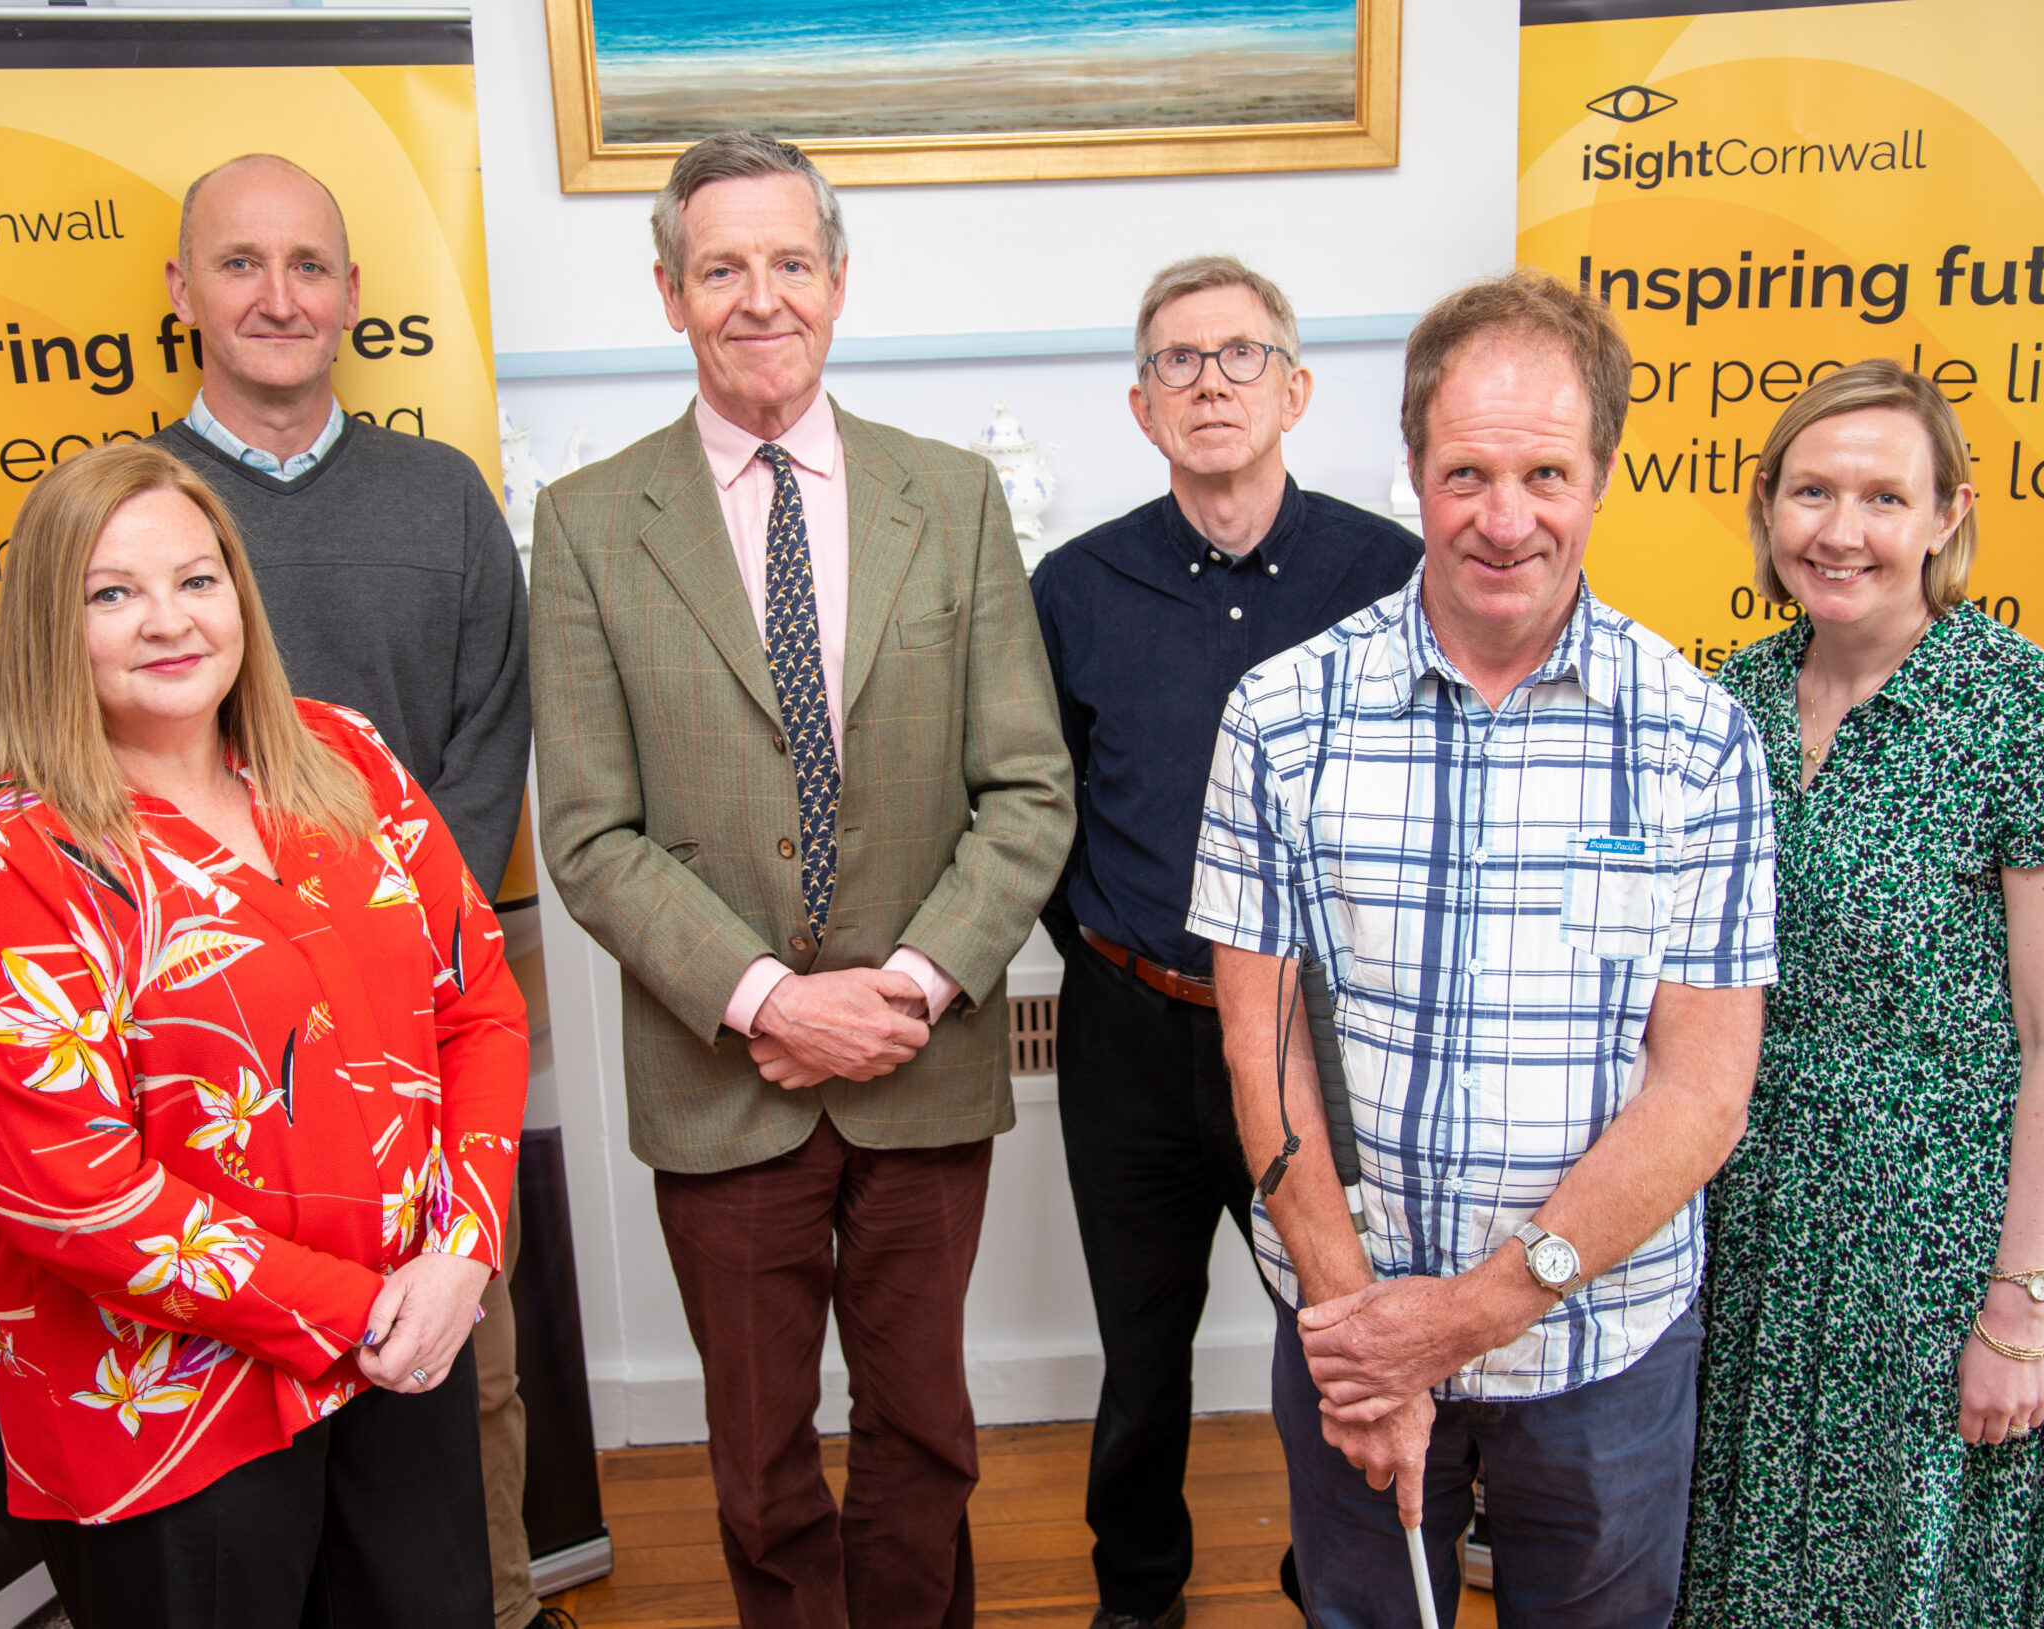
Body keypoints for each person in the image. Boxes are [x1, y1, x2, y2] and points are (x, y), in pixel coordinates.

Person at [530, 131, 1073, 1629]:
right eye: (721, 268)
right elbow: (588, 828)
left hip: (920, 1054)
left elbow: (1027, 785)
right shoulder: (586, 526)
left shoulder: (951, 497)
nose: (756, 296)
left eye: (788, 262)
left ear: (838, 282)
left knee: (925, 1437)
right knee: (760, 1459)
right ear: (669, 293)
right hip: (725, 1074)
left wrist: (901, 989)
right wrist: (770, 999)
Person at [1186, 270, 1778, 1629]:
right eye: (1466, 471)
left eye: (1545, 473)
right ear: (1412, 469)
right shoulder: (1284, 717)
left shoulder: (1696, 740)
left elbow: (1703, 1092)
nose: (1504, 520)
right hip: (1349, 1327)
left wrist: (1465, 1318)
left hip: (1600, 1349)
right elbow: (1258, 1042)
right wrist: (1366, 1338)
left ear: (1604, 474)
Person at [0, 441, 528, 1627]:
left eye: (196, 580)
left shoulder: (343, 757)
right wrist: (362, 1314)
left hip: (411, 1347)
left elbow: (478, 1006)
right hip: (173, 1418)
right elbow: (71, 1199)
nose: (167, 622)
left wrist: (463, 1257)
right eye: (112, 592)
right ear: (48, 620)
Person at [148, 153, 544, 1629]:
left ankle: (491, 1606)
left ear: (355, 299)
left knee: (457, 1363)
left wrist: (379, 966)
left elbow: (489, 735)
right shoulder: (123, 514)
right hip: (205, 1049)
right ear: (181, 291)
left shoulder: (440, 498)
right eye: (240, 264)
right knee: (248, 1385)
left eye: (309, 265)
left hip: (425, 1019)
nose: (277, 295)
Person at [1679, 359, 2044, 1625]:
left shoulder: (2023, 710)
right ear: (1767, 510)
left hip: (1954, 1248)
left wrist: (2018, 1310)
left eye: (1883, 498)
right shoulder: (1734, 703)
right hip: (1764, 1235)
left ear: (1946, 519)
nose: (1840, 530)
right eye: (1810, 492)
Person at [1031, 254, 1419, 1629]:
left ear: (1296, 388)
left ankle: (1345, 1582)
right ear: (1140, 405)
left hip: (1327, 1034)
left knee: (1346, 1325)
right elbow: (1040, 805)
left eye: (1239, 355)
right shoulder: (1073, 586)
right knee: (1143, 1354)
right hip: (1132, 1025)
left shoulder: (1393, 576)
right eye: (1178, 362)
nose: (1209, 382)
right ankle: (1138, 1596)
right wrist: (1104, 947)